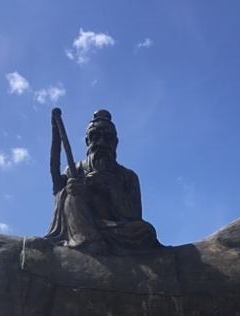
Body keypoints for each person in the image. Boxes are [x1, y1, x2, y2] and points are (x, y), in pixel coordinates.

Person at [45, 109, 161, 256]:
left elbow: (134, 215)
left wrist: (111, 188)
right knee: (71, 198)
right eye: (95, 137)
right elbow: (57, 187)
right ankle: (89, 242)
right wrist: (70, 189)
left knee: (146, 231)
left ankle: (95, 241)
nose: (101, 143)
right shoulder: (75, 169)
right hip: (83, 226)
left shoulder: (128, 176)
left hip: (116, 229)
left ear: (115, 143)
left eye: (108, 138)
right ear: (87, 141)